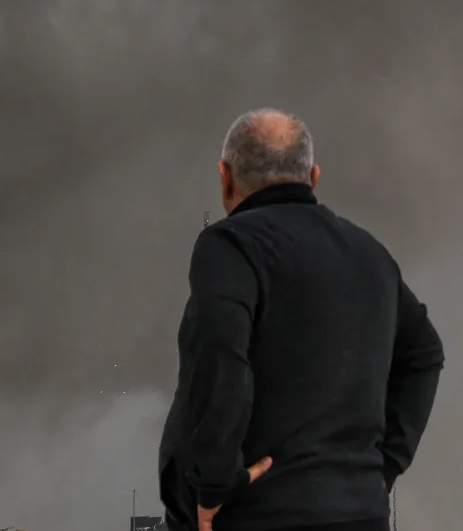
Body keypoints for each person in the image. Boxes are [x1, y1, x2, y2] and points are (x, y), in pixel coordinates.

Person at [158, 109, 445, 531]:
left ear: (225, 177)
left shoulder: (230, 246)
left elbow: (220, 360)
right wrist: (385, 466)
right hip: (361, 515)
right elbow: (425, 353)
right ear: (313, 177)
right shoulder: (369, 252)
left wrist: (215, 484)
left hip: (258, 516)